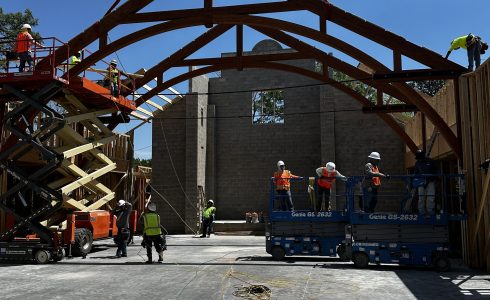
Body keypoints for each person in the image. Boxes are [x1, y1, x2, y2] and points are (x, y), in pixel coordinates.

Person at [413, 150, 437, 215]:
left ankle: (431, 213)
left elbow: (436, 171)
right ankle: (422, 213)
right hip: (421, 182)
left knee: (431, 197)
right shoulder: (417, 163)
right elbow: (415, 173)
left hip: (430, 182)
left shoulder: (431, 161)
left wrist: (433, 178)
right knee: (421, 198)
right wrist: (415, 182)